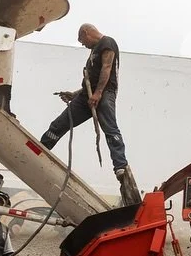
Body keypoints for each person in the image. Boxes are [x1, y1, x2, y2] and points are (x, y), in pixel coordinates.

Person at [39, 23, 129, 179]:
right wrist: (74, 95)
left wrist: (99, 93)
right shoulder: (94, 51)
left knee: (110, 129)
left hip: (105, 93)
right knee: (59, 124)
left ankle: (120, 166)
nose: (83, 44)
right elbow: (90, 82)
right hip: (87, 95)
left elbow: (107, 68)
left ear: (86, 33)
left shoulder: (107, 43)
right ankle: (40, 150)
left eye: (82, 40)